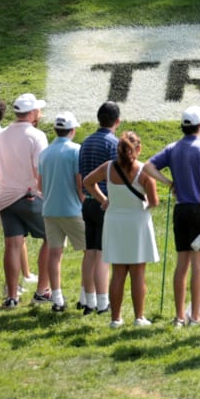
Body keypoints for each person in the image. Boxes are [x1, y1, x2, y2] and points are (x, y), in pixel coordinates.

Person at [83, 130, 160, 329]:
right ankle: (138, 317)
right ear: (138, 149)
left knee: (118, 273)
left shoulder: (108, 168)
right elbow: (154, 201)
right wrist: (145, 205)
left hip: (114, 221)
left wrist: (104, 200)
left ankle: (116, 319)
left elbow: (87, 182)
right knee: (138, 273)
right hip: (137, 223)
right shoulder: (144, 172)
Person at [151, 106, 200, 327]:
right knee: (199, 265)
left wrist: (169, 183)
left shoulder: (173, 148)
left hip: (181, 209)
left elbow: (149, 166)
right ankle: (196, 315)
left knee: (182, 264)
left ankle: (179, 315)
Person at [0, 93, 48, 307]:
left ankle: (12, 296)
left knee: (13, 245)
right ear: (33, 113)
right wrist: (43, 192)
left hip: (5, 197)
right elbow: (40, 170)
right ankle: (43, 290)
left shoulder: (2, 134)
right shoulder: (36, 136)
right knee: (52, 239)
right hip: (28, 194)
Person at [35, 111, 84, 312]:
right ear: (72, 130)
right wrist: (83, 201)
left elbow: (39, 185)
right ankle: (85, 295)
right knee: (91, 253)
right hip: (72, 209)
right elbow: (79, 182)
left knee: (54, 254)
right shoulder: (76, 150)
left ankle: (57, 298)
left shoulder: (45, 153)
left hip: (50, 209)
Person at [77, 102, 120, 314]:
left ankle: (88, 299)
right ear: (117, 121)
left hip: (88, 201)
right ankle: (103, 303)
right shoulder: (114, 144)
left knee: (90, 252)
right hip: (106, 202)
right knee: (104, 254)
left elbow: (82, 175)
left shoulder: (85, 142)